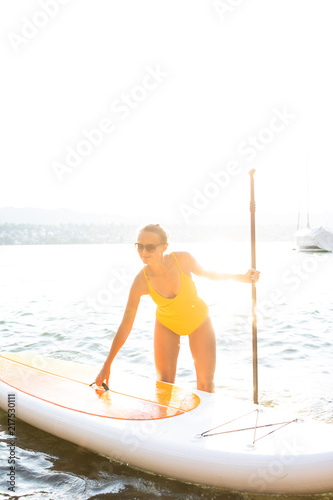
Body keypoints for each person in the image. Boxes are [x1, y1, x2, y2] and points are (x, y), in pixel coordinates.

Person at [95, 223, 260, 393]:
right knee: (165, 386)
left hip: (199, 321)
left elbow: (210, 274)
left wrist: (243, 278)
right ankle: (165, 418)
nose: (144, 252)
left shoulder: (183, 259)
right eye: (140, 246)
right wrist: (107, 365)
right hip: (166, 325)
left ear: (164, 247)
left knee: (205, 385)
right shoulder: (141, 281)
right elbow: (126, 324)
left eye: (150, 247)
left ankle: (204, 418)